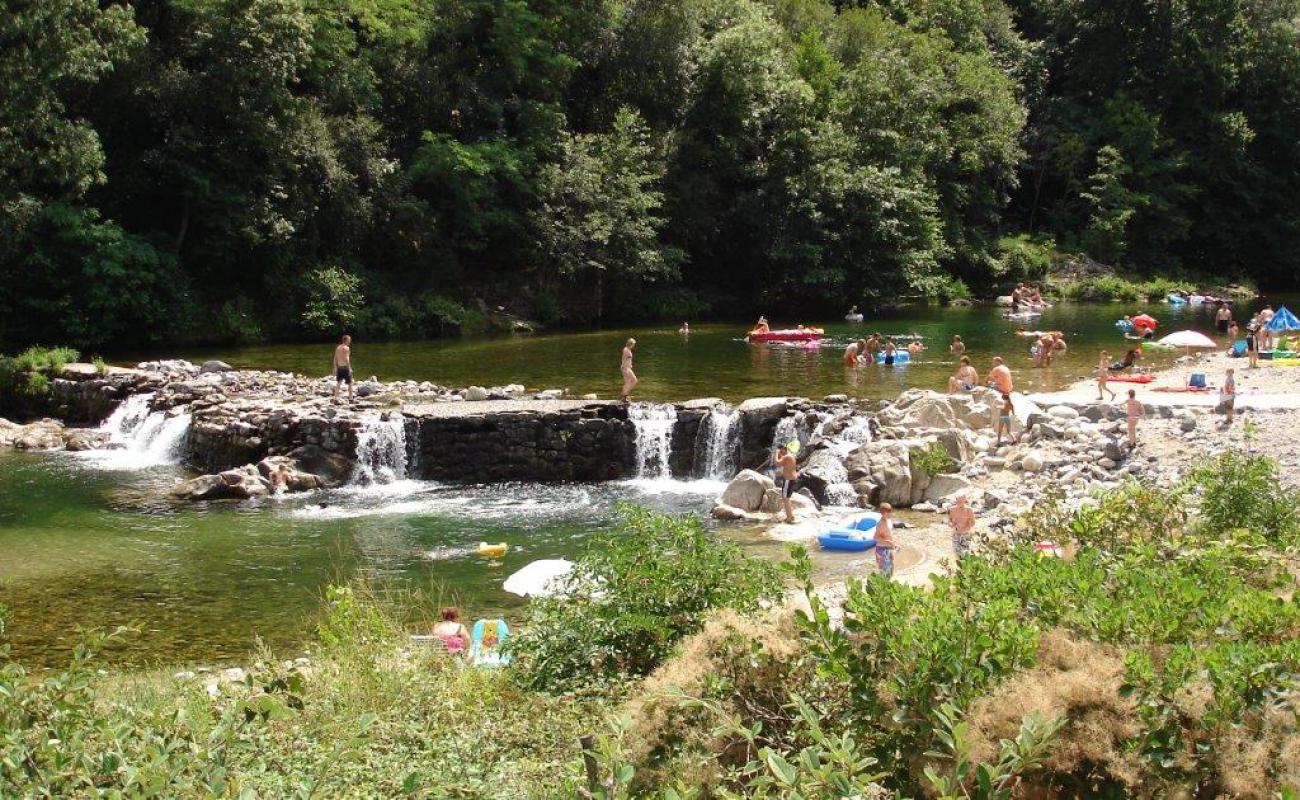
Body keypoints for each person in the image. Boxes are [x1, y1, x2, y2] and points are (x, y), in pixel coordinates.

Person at [774, 443, 798, 524]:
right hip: (792, 479)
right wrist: (780, 455)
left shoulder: (787, 457)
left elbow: (777, 463)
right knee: (787, 498)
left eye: (781, 451)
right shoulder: (790, 456)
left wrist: (776, 453)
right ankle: (790, 515)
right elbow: (783, 462)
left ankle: (790, 517)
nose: (781, 453)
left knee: (785, 498)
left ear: (784, 449)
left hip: (788, 480)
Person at [875, 503, 896, 579]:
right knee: (884, 570)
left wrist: (894, 543)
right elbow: (876, 537)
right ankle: (882, 586)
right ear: (882, 513)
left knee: (891, 567)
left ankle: (887, 584)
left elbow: (890, 533)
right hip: (882, 548)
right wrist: (887, 541)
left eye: (890, 512)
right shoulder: (880, 524)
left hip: (890, 547)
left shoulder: (889, 520)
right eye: (887, 513)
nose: (889, 514)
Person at [332, 334, 353, 403]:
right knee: (350, 383)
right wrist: (349, 368)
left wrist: (335, 367)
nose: (350, 341)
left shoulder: (338, 348)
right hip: (345, 368)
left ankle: (335, 398)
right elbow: (347, 358)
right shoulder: (347, 348)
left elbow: (335, 358)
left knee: (339, 383)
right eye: (349, 340)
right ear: (346, 340)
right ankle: (351, 399)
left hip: (339, 368)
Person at [620, 338, 638, 402]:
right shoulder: (626, 350)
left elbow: (627, 359)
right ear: (630, 344)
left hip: (628, 367)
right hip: (625, 368)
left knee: (633, 381)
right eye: (633, 344)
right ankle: (624, 395)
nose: (634, 346)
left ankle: (625, 394)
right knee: (629, 381)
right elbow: (624, 359)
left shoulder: (628, 349)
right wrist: (626, 366)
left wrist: (630, 364)